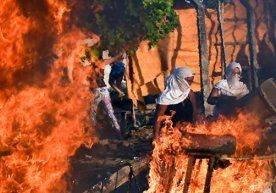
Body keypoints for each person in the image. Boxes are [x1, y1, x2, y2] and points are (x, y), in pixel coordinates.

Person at [153, 67, 199, 139]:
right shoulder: (165, 97)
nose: (189, 84)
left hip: (186, 133)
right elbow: (158, 118)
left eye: (191, 81)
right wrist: (156, 136)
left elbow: (195, 113)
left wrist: (197, 128)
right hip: (169, 135)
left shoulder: (190, 93)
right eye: (188, 81)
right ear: (179, 80)